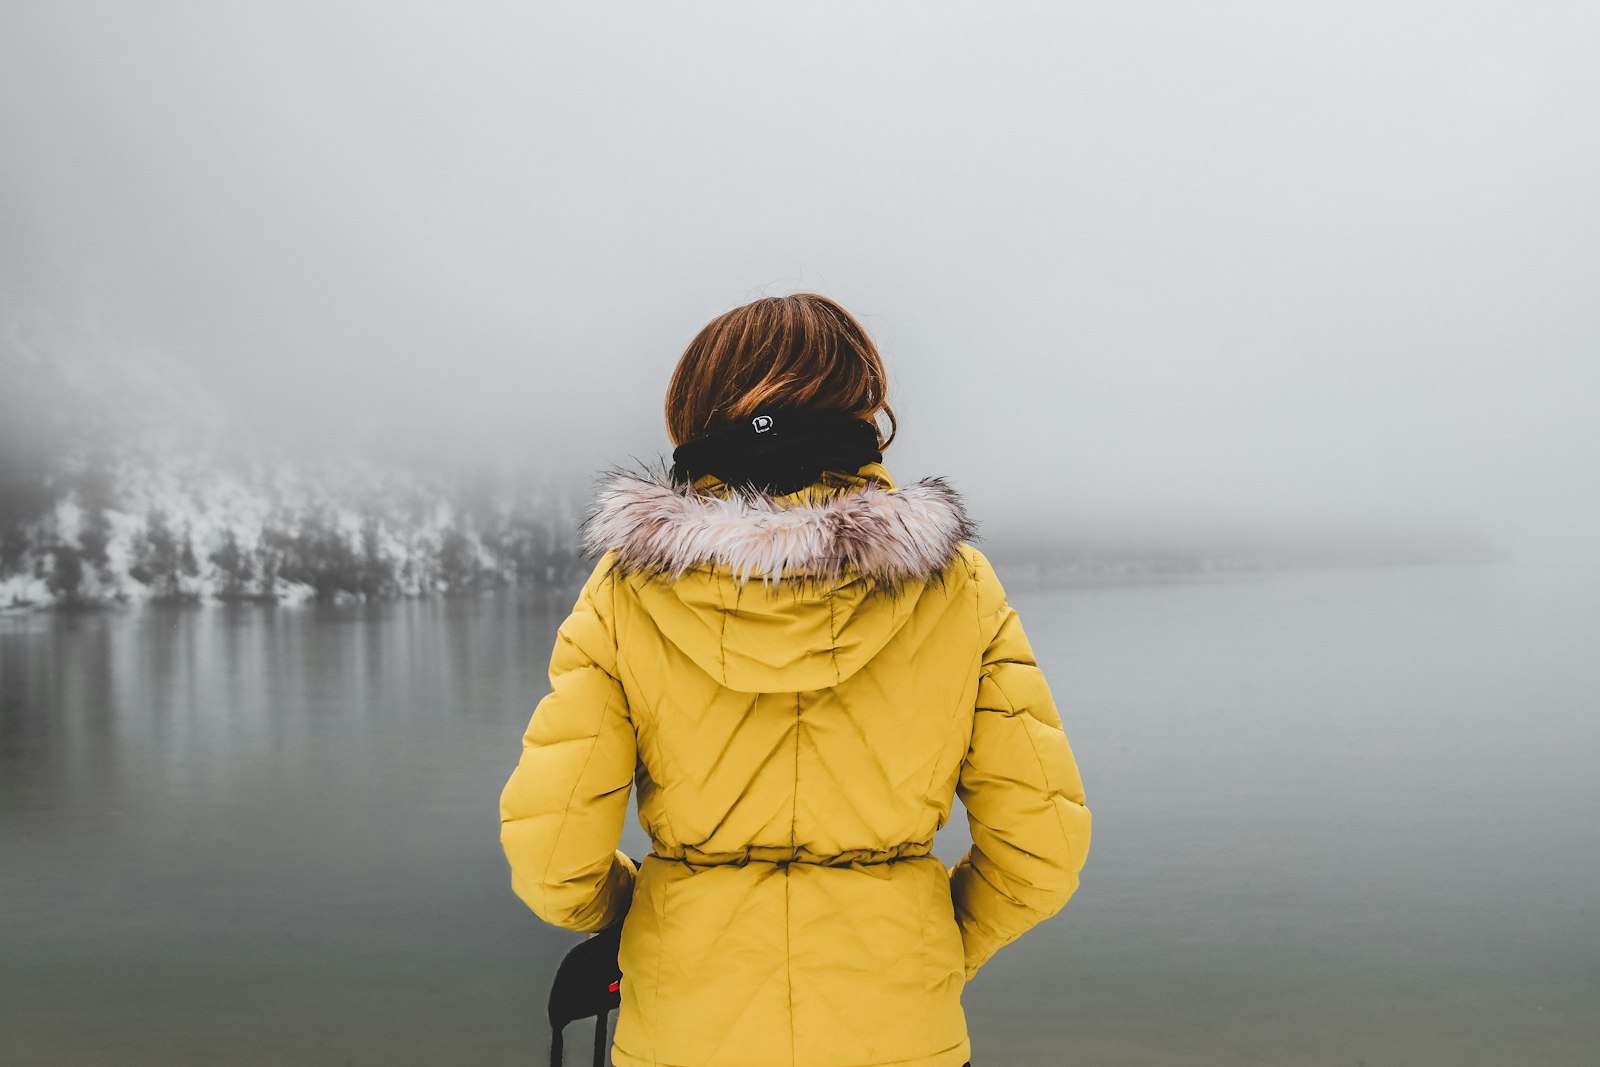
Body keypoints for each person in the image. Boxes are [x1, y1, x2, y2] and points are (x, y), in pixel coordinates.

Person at [500, 293, 1092, 1067]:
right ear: (864, 408)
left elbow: (553, 865)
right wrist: (923, 941)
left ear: (694, 412)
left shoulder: (627, 589)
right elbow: (1041, 852)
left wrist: (654, 921)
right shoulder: (957, 585)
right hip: (899, 1037)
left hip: (686, 1036)